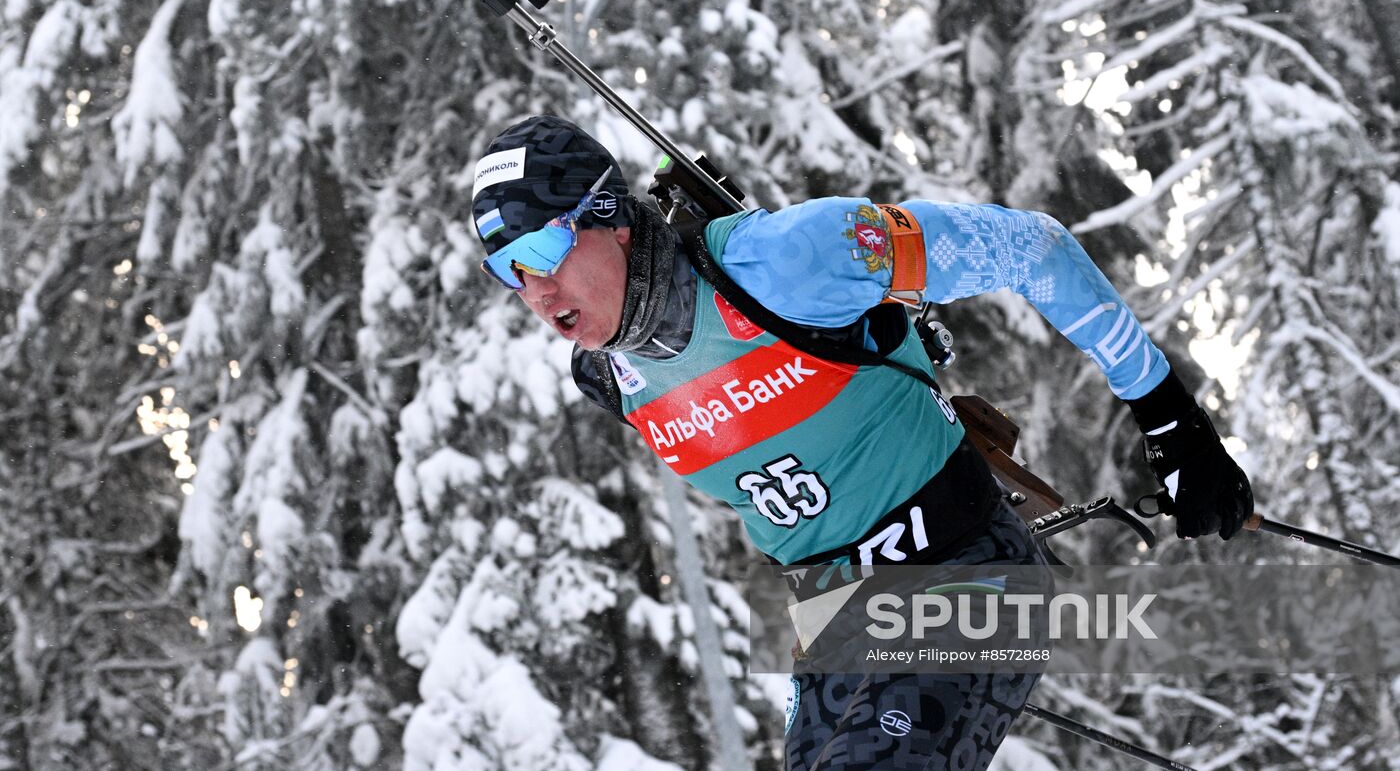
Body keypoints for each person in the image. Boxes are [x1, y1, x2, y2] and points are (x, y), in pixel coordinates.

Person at [470, 114, 1254, 770]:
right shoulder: (608, 377)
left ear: (609, 215)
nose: (534, 290)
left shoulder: (787, 259)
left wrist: (1173, 423)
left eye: (540, 249)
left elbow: (1034, 247)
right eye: (506, 270)